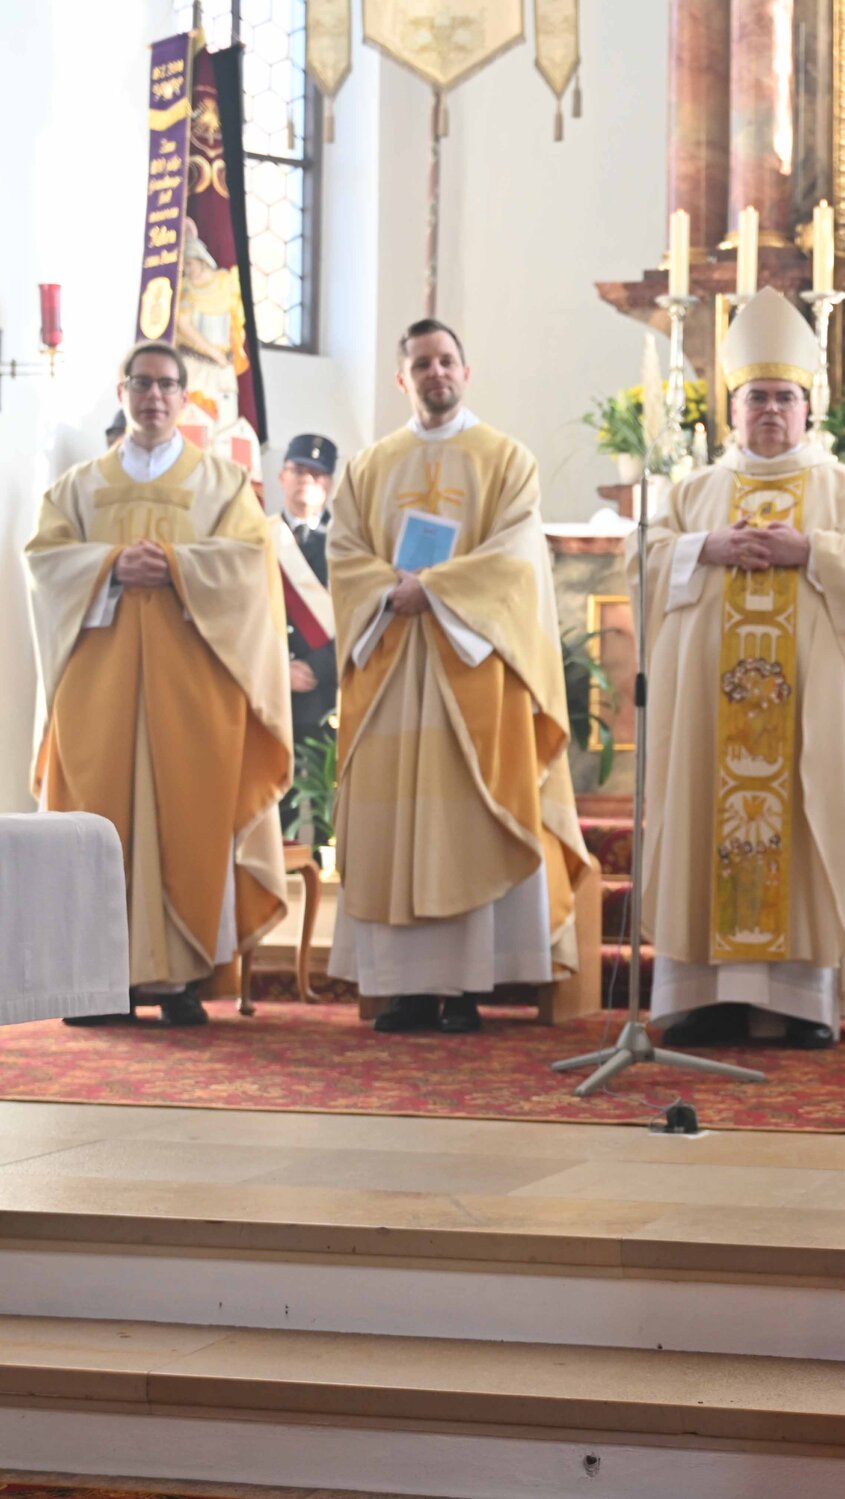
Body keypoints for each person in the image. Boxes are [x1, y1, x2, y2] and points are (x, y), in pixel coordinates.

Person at [631, 287, 845, 1049]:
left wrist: (812, 550)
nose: (770, 411)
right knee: (704, 815)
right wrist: (704, 548)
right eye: (756, 396)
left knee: (809, 811)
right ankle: (703, 995)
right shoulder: (692, 495)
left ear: (808, 406)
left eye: (785, 396)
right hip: (708, 719)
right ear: (731, 407)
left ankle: (798, 999)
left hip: (805, 715)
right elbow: (641, 563)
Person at [326, 320, 591, 1034]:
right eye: (421, 363)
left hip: (473, 671)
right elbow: (344, 553)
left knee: (466, 820)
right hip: (391, 669)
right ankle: (406, 990)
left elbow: (514, 557)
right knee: (395, 827)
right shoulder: (368, 466)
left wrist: (434, 590)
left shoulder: (506, 459)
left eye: (446, 360)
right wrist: (389, 591)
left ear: (465, 373)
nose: (435, 372)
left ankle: (468, 985)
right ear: (401, 379)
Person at [26, 341, 291, 1028]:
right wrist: (111, 565)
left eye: (166, 385)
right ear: (123, 392)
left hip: (192, 690)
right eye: (141, 383)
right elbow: (44, 564)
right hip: (98, 691)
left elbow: (249, 565)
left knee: (189, 814)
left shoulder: (223, 486)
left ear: (184, 397)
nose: (153, 396)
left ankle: (179, 979)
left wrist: (174, 565)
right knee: (95, 823)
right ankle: (94, 984)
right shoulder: (78, 487)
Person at [271, 434, 339, 836]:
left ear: (329, 484)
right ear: (282, 476)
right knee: (273, 794)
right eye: (299, 470)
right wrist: (280, 667)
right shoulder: (260, 539)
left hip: (325, 690)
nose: (307, 480)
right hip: (270, 688)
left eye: (317, 474)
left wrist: (316, 667)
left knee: (325, 797)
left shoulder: (346, 545)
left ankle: (320, 879)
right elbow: (246, 614)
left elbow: (355, 618)